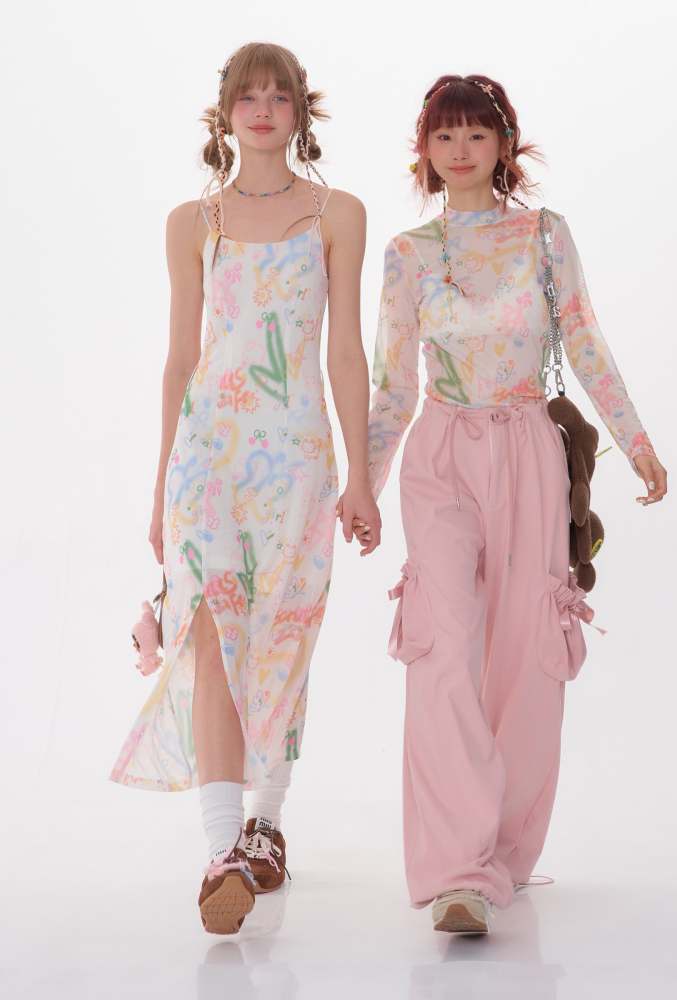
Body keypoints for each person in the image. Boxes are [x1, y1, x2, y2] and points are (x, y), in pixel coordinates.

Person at [341, 73, 668, 936]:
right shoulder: (408, 254)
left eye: (476, 135)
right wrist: (362, 483)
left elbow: (585, 340)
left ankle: (504, 857)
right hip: (440, 457)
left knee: (526, 655)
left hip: (527, 450)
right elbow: (392, 384)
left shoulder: (544, 236)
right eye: (444, 136)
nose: (460, 151)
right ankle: (457, 871)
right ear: (424, 150)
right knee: (443, 648)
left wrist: (635, 441)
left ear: (503, 146)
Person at [110, 42, 378, 935]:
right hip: (208, 460)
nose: (263, 109)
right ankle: (221, 847)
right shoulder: (194, 222)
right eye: (248, 96)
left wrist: (361, 474)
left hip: (297, 457)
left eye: (279, 96)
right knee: (213, 631)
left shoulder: (337, 214)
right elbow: (179, 359)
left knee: (283, 631)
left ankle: (268, 822)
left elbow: (345, 352)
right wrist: (161, 486)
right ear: (225, 113)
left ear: (301, 111)